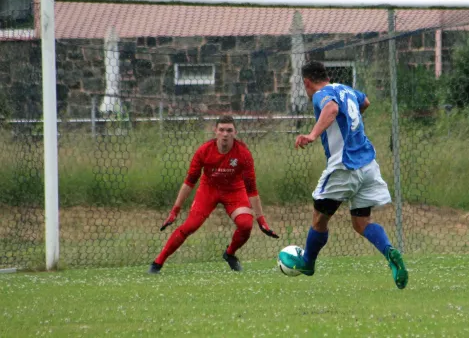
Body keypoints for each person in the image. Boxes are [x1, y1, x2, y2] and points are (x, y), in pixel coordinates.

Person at [284, 60, 408, 289]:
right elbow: (366, 101)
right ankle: (390, 251)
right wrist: (351, 122)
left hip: (344, 166)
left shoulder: (321, 94)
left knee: (319, 219)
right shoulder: (346, 89)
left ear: (306, 82)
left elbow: (331, 109)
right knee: (361, 222)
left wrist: (312, 135)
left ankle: (308, 263)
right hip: (368, 165)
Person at [149, 115, 279, 274]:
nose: (225, 134)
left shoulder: (244, 153)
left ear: (235, 132)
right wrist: (175, 211)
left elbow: (251, 189)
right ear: (215, 131)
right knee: (190, 226)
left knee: (246, 224)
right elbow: (189, 182)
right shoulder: (204, 151)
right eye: (222, 130)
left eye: (229, 130)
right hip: (208, 190)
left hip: (234, 191)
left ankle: (230, 254)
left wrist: (261, 220)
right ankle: (157, 264)